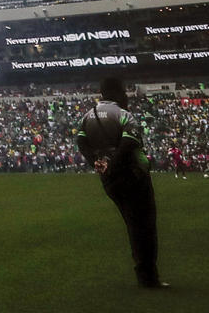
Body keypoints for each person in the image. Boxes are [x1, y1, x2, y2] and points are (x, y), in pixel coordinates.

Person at [77, 76, 165, 290]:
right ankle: (148, 276)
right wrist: (114, 164)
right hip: (132, 176)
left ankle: (145, 273)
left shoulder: (88, 116)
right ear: (118, 92)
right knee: (144, 227)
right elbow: (129, 143)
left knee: (132, 224)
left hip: (109, 180)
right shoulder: (124, 114)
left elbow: (80, 141)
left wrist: (97, 163)